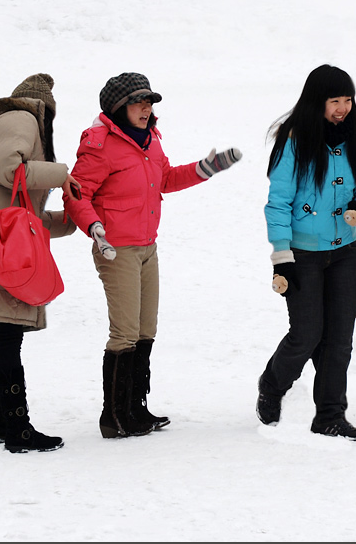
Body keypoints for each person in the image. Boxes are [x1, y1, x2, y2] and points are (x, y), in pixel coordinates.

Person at [64, 72, 243, 439]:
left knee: (146, 330)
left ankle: (136, 408)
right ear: (118, 107)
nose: (146, 109)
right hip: (116, 250)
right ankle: (113, 417)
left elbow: (164, 179)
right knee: (125, 332)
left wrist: (205, 169)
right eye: (138, 102)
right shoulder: (99, 143)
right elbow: (76, 194)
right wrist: (94, 228)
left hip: (148, 246)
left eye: (150, 102)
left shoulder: (151, 140)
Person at [0, 73, 80, 453]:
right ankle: (17, 428)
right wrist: (63, 176)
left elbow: (20, 210)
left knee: (3, 334)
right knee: (9, 334)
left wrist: (65, 222)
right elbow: (10, 173)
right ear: (44, 109)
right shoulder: (19, 118)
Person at [257, 64, 356, 441]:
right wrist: (282, 258)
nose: (342, 108)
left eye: (347, 100)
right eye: (334, 101)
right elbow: (277, 204)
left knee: (339, 340)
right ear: (317, 101)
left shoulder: (354, 135)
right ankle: (273, 384)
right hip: (303, 255)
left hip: (346, 252)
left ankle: (329, 415)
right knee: (306, 333)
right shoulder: (294, 140)